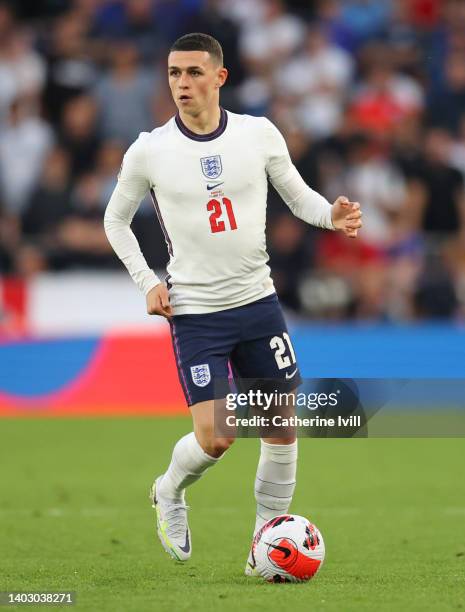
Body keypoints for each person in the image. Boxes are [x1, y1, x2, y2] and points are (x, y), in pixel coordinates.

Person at [104, 32, 362, 574]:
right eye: (174, 73)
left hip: (258, 302)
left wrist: (330, 215)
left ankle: (261, 550)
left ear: (219, 77)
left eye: (194, 73)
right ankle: (169, 490)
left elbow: (298, 196)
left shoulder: (257, 134)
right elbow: (115, 220)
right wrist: (145, 280)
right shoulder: (149, 149)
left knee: (281, 427)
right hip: (195, 312)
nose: (182, 84)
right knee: (218, 437)